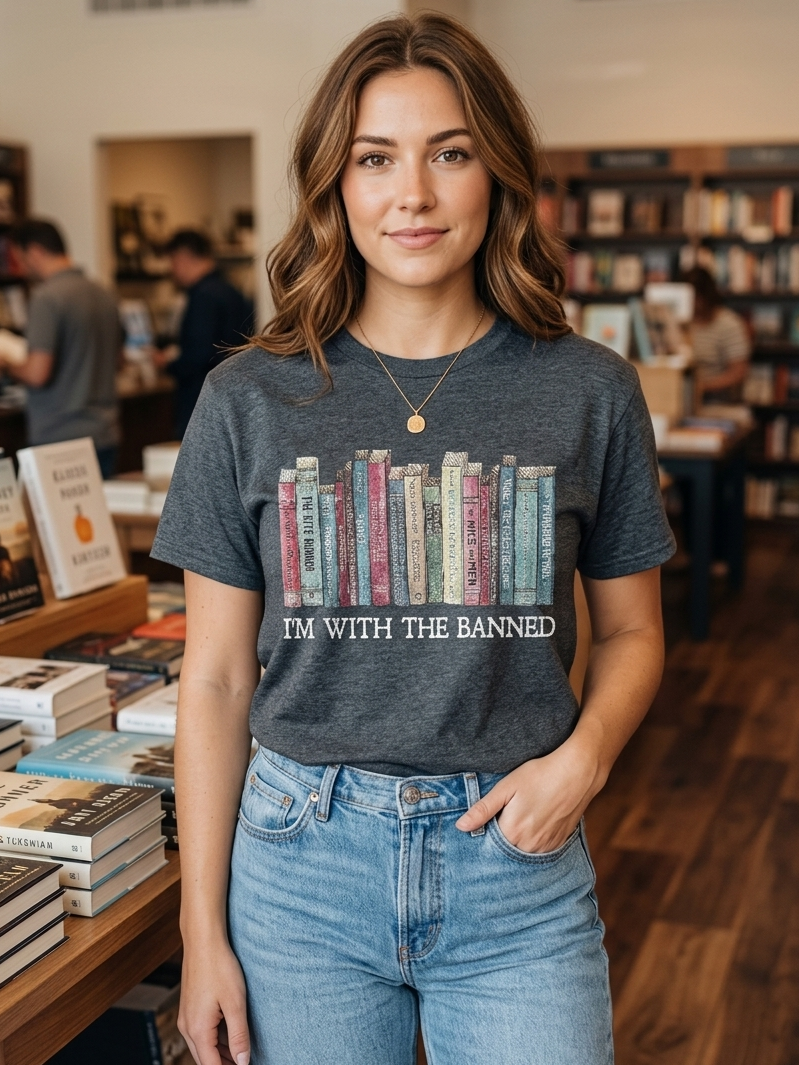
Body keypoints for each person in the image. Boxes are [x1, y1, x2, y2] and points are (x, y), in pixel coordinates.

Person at [152, 14, 675, 1065]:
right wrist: (199, 932)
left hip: (515, 864)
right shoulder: (247, 399)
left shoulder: (588, 390)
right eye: (375, 158)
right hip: (302, 869)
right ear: (334, 186)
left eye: (451, 153)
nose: (414, 195)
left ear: (500, 172)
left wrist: (584, 764)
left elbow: (630, 635)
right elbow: (210, 682)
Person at [1, 219, 121, 478]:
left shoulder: (47, 297)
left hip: (59, 439)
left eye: (19, 258)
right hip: (104, 432)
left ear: (34, 252)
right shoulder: (103, 293)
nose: (19, 268)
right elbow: (119, 360)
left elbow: (37, 373)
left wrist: (7, 364)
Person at [159, 229, 253, 439]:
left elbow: (199, 354)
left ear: (183, 257)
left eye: (172, 261)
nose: (172, 270)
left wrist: (167, 364)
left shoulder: (203, 296)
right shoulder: (232, 291)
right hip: (233, 397)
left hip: (201, 400)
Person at [684, 266, 751, 403]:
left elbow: (739, 372)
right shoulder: (680, 322)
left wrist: (702, 387)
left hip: (715, 399)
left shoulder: (729, 324)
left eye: (696, 297)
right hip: (679, 395)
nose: (692, 303)